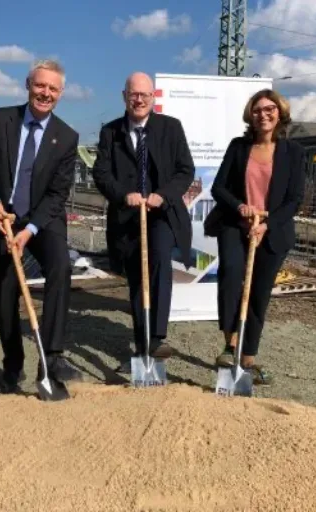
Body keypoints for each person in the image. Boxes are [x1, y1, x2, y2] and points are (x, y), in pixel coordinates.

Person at [0, 59, 81, 393]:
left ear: (61, 93)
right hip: (2, 216)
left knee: (60, 266)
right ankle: (12, 364)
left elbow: (58, 193)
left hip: (42, 221)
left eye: (52, 89)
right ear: (28, 85)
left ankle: (53, 356)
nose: (45, 93)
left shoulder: (66, 136)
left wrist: (30, 230)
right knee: (5, 292)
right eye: (40, 86)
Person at [92, 72, 195, 373]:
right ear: (124, 96)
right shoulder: (111, 132)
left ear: (153, 97)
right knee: (137, 279)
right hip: (128, 216)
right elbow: (101, 173)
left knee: (160, 261)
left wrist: (163, 195)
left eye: (145, 95)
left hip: (161, 214)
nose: (139, 100)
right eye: (133, 94)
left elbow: (184, 170)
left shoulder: (170, 128)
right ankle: (141, 349)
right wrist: (125, 195)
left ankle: (157, 338)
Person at [206, 89, 305, 385]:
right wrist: (240, 206)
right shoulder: (239, 147)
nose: (263, 114)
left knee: (259, 294)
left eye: (269, 109)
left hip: (273, 233)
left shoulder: (293, 152)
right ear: (250, 115)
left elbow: (294, 199)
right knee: (231, 279)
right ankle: (230, 345)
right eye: (258, 109)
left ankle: (248, 360)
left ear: (279, 112)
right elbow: (219, 188)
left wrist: (267, 224)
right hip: (236, 226)